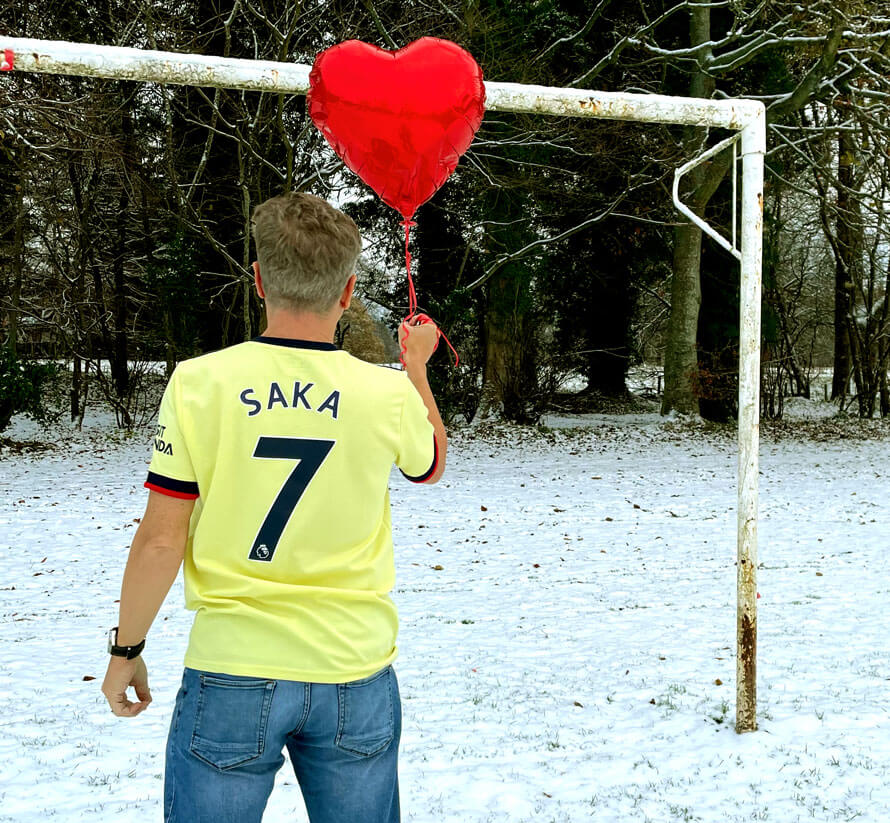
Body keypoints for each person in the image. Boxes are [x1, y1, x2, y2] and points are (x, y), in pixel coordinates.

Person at [100, 191, 447, 823]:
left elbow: (160, 539)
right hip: (355, 668)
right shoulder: (386, 391)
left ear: (258, 281)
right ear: (347, 293)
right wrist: (415, 368)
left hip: (233, 666)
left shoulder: (199, 381)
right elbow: (429, 464)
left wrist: (126, 650)